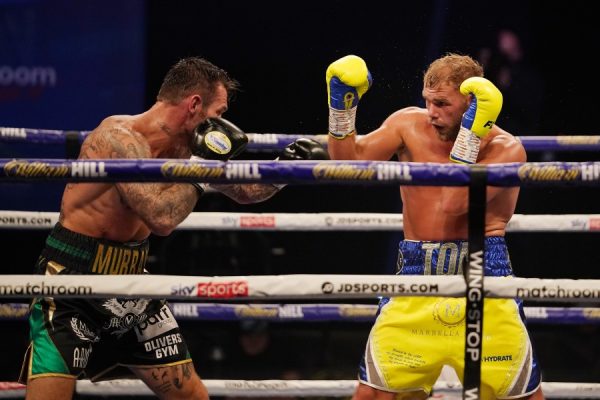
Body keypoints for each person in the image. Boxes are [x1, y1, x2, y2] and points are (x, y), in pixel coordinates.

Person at [19, 56, 328, 400]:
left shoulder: (187, 148)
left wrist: (284, 168)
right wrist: (199, 167)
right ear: (194, 104)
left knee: (193, 396)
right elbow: (161, 217)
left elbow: (244, 191)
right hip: (71, 280)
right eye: (219, 113)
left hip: (130, 281)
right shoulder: (118, 139)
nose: (221, 123)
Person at [325, 53, 543, 400]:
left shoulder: (506, 149)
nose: (431, 113)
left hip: (483, 278)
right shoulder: (408, 124)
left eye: (442, 103)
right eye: (428, 101)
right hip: (416, 275)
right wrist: (342, 107)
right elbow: (347, 164)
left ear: (472, 105)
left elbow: (453, 203)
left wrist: (470, 137)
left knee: (515, 396)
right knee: (374, 395)